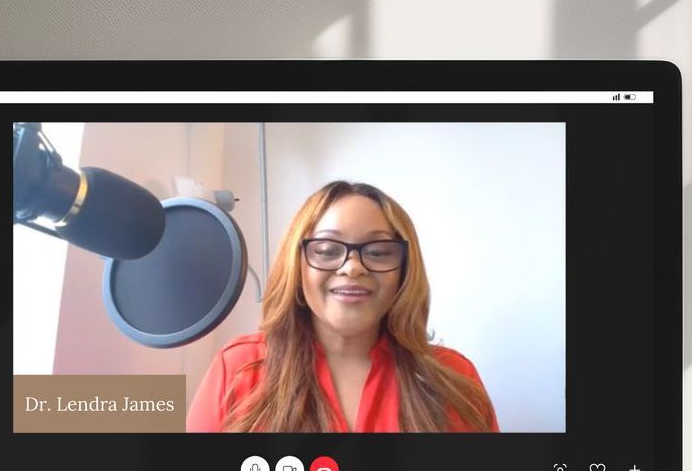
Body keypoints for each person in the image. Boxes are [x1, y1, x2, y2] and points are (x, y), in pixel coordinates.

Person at [186, 180, 499, 433]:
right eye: (326, 249)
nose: (352, 267)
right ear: (298, 266)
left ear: (404, 271)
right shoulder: (238, 369)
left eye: (378, 252)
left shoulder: (455, 379)